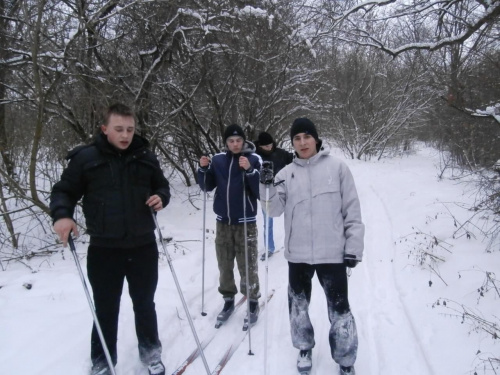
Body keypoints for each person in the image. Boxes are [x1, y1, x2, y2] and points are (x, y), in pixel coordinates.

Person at [50, 103, 170, 375]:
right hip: (105, 249)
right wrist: (62, 216)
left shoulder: (145, 157)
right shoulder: (86, 159)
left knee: (144, 303)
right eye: (119, 129)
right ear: (105, 129)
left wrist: (161, 197)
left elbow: (162, 186)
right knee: (105, 307)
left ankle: (151, 353)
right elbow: (64, 191)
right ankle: (103, 362)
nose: (125, 135)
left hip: (142, 246)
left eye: (130, 129)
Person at [259, 118, 364, 375]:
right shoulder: (285, 174)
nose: (302, 142)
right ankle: (304, 346)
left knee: (340, 310)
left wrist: (353, 247)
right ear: (292, 143)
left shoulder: (337, 168)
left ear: (316, 139)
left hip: (333, 253)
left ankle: (345, 359)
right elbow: (273, 210)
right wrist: (265, 185)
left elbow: (352, 210)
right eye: (297, 138)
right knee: (298, 307)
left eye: (307, 137)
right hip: (299, 254)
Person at [198, 124, 262, 327]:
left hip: (246, 223)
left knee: (247, 266)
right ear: (226, 143)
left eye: (238, 141)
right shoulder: (218, 160)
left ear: (244, 141)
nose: (235, 144)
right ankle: (228, 300)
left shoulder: (254, 159)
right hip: (223, 223)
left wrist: (250, 170)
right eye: (231, 141)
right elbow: (207, 186)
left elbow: (260, 190)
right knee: (224, 265)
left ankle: (252, 302)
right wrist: (203, 168)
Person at [254, 131, 293, 261]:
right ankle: (269, 248)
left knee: (292, 216)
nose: (269, 148)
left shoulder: (281, 153)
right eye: (266, 146)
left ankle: (293, 244)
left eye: (270, 145)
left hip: (283, 189)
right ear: (260, 146)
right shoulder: (255, 156)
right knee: (268, 221)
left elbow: (295, 159)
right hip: (266, 193)